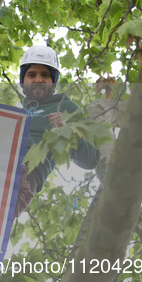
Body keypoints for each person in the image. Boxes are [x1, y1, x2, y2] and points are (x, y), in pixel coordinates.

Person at [15, 45, 100, 215]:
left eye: (45, 75)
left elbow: (91, 159)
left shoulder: (66, 108)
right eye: (32, 75)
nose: (38, 79)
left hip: (25, 173)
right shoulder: (15, 115)